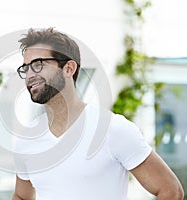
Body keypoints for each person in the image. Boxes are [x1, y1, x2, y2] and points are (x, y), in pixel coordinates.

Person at [12, 27, 184, 200]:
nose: (29, 75)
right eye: (25, 68)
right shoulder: (27, 139)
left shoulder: (113, 129)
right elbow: (21, 196)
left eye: (38, 65)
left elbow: (171, 190)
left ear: (68, 68)